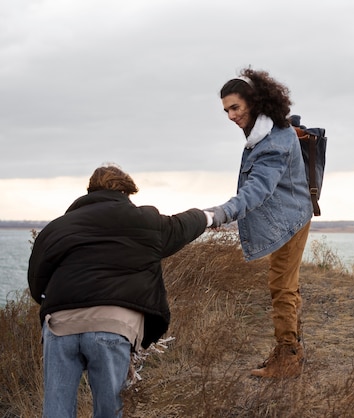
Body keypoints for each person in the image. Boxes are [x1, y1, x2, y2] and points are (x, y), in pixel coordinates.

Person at [28, 164, 211, 417]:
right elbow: (184, 224)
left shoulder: (56, 228)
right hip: (113, 327)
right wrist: (211, 216)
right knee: (109, 411)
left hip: (60, 326)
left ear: (90, 191)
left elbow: (37, 283)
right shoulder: (145, 221)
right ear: (126, 193)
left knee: (56, 412)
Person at [206, 68, 312, 378]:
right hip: (288, 214)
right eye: (226, 110)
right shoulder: (263, 132)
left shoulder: (274, 140)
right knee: (285, 285)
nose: (230, 116)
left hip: (291, 219)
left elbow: (257, 189)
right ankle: (291, 350)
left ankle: (289, 357)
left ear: (253, 102)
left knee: (282, 286)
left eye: (235, 107)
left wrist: (219, 214)